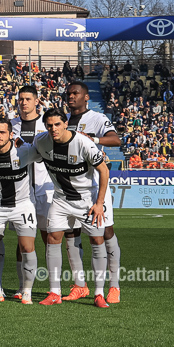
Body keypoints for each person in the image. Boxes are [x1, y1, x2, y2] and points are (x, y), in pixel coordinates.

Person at [33, 108, 112, 308]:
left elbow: (103, 170)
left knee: (96, 239)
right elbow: (27, 151)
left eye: (57, 124)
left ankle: (99, 293)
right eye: (49, 125)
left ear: (65, 123)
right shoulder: (41, 141)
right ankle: (54, 292)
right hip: (60, 199)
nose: (53, 129)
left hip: (86, 200)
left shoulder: (83, 143)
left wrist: (99, 203)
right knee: (53, 239)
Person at [64, 81, 123, 303]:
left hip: (96, 184)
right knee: (70, 232)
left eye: (75, 93)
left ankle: (114, 285)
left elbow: (116, 139)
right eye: (68, 93)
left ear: (86, 97)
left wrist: (94, 139)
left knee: (105, 231)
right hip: (69, 184)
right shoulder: (63, 121)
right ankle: (80, 285)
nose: (71, 97)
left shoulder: (96, 118)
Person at [0, 117, 41, 303]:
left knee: (27, 247)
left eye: (2, 132)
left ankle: (26, 291)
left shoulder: (25, 151)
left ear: (11, 134)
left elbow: (45, 151)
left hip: (23, 205)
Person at [11, 84, 51, 301]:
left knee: (49, 238)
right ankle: (22, 286)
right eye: (20, 99)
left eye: (28, 99)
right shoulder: (11, 125)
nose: (23, 102)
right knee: (22, 240)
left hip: (44, 189)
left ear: (37, 101)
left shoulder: (46, 124)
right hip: (21, 191)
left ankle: (55, 285)